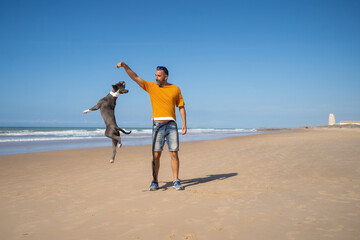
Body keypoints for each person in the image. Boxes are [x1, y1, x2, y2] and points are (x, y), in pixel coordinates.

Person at [116, 62, 187, 191]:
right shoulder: (151, 87)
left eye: (159, 76)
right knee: (155, 155)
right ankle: (155, 181)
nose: (156, 78)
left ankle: (176, 181)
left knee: (174, 154)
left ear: (165, 77)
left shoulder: (175, 89)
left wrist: (184, 124)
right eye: (155, 75)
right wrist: (125, 66)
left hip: (171, 125)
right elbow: (135, 77)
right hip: (157, 125)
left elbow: (181, 106)